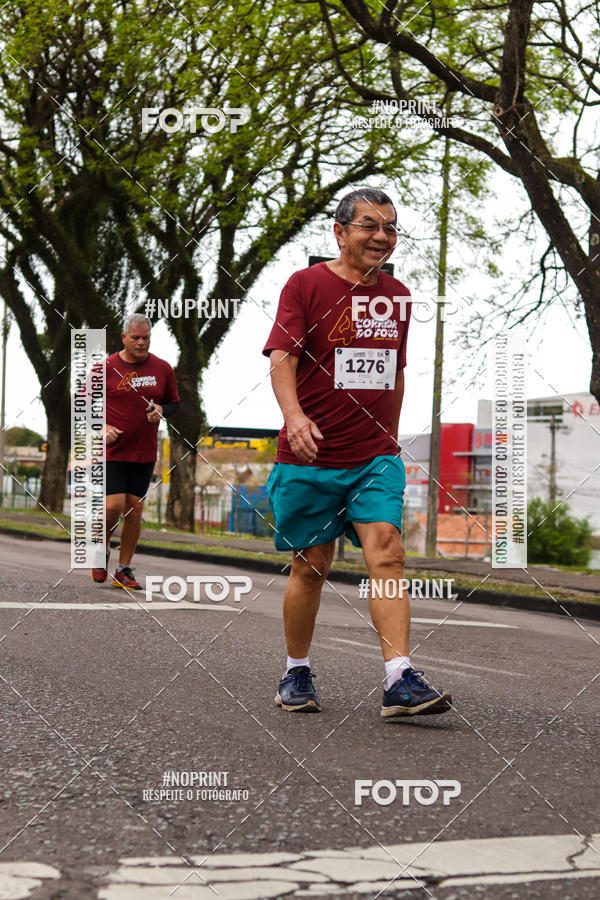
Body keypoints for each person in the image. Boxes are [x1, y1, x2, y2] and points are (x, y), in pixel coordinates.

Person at [263, 188, 452, 718]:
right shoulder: (305, 285)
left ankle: (399, 680)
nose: (382, 237)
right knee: (311, 567)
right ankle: (295, 672)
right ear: (339, 231)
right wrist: (295, 417)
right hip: (313, 453)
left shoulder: (398, 295)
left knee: (388, 551)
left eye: (390, 228)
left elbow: (394, 372)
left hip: (373, 456)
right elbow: (282, 358)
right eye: (370, 225)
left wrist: (390, 438)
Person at [91, 314, 180, 590]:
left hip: (144, 452)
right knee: (112, 506)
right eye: (136, 338)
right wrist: (103, 425)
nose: (141, 343)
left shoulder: (162, 368)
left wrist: (162, 411)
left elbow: (174, 403)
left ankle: (123, 569)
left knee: (135, 509)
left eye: (146, 338)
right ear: (124, 338)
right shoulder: (104, 368)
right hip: (112, 450)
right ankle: (100, 548)